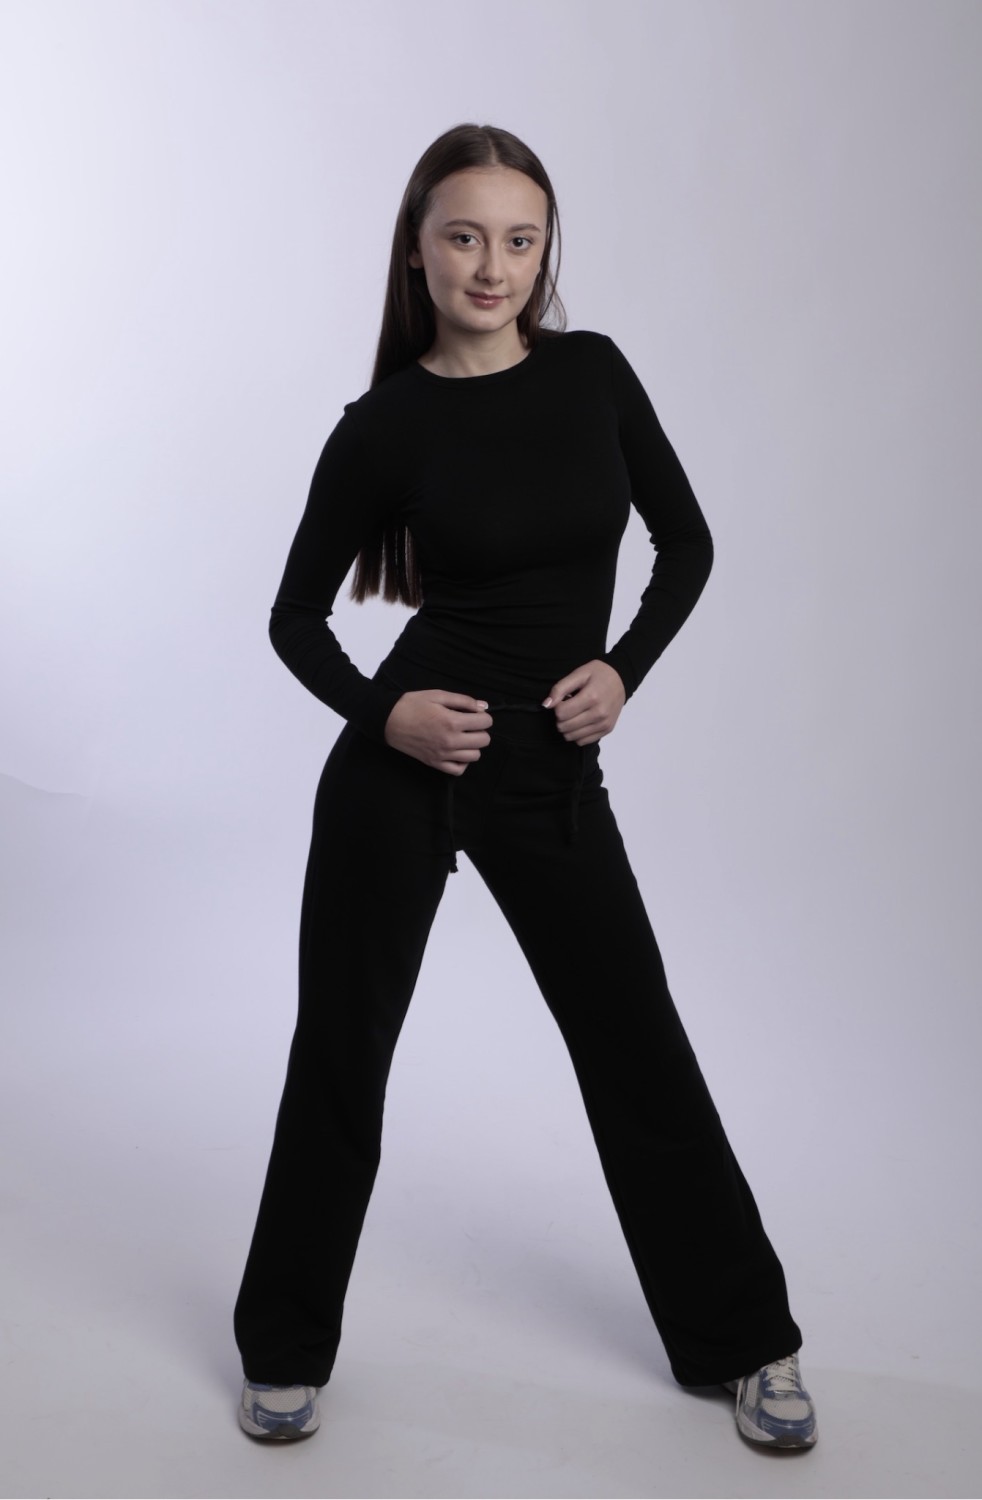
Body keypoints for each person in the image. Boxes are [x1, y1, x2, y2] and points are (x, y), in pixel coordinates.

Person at [233, 123, 818, 1452]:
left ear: (544, 251)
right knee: (342, 1055)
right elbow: (293, 621)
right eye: (463, 236)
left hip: (551, 778)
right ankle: (283, 1349)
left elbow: (685, 544)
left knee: (637, 1046)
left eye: (518, 239)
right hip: (400, 778)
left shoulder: (593, 374)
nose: (491, 266)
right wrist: (384, 713)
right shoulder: (383, 427)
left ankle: (746, 1342)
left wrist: (622, 671)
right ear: (417, 249)